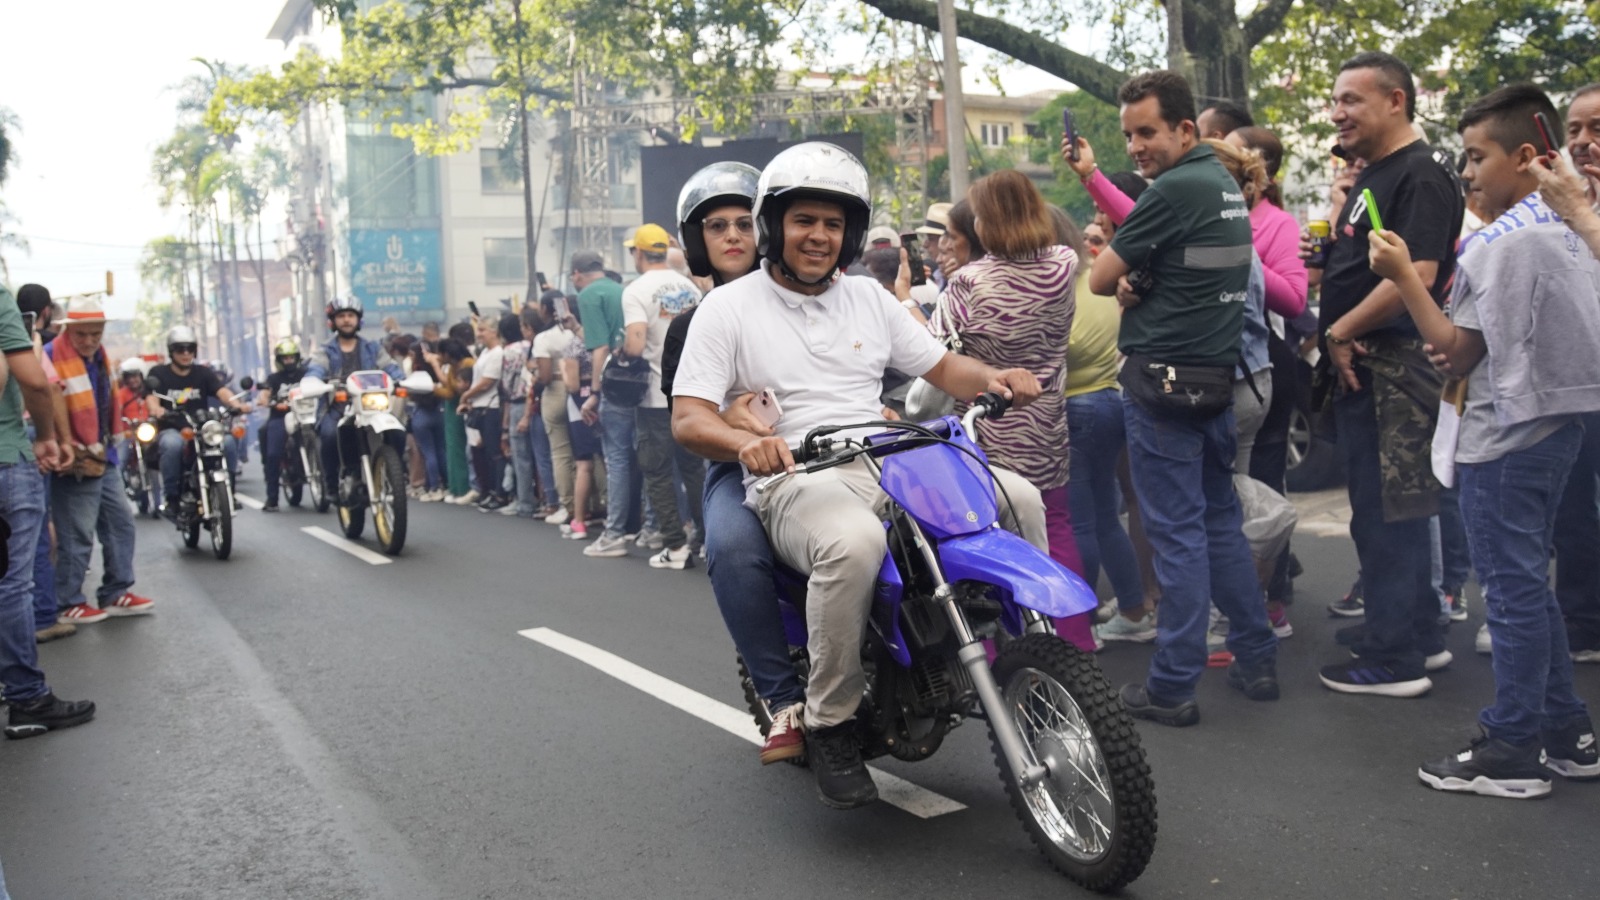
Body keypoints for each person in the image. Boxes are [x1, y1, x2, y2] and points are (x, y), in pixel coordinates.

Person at [672, 141, 1046, 809]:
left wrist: (996, 377)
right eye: (804, 220)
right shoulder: (726, 310)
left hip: (890, 453)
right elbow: (689, 417)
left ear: (849, 234)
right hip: (799, 471)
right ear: (774, 226)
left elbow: (943, 369)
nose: (819, 235)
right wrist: (744, 444)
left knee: (1019, 497)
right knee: (853, 542)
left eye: (833, 223)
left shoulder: (869, 298)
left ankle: (1037, 659)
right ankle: (830, 721)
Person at [1368, 83, 1600, 797]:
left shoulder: (1502, 244)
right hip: (1557, 427)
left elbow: (1455, 350)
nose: (1465, 173)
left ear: (1525, 156)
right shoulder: (1567, 227)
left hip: (1504, 435)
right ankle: (1566, 731)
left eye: (1476, 157)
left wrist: (1403, 275)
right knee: (1528, 584)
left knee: (1512, 591)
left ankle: (1512, 747)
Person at [1087, 70, 1279, 726]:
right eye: (1128, 136)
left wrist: (1129, 281)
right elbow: (1191, 274)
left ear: (1186, 129)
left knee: (1176, 537)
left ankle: (1171, 684)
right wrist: (1144, 280)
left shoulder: (1173, 190)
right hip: (1216, 382)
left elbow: (1099, 278)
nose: (1135, 147)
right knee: (1218, 523)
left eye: (1147, 132)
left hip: (1161, 388)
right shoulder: (1222, 186)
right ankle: (1257, 657)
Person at [1311, 52, 1463, 696]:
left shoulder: (1420, 172)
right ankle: (1417, 633)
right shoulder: (1375, 173)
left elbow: (1415, 277)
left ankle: (1393, 658)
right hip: (1367, 372)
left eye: (1351, 99)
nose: (1337, 113)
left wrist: (1341, 330)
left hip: (1391, 371)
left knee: (1388, 516)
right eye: (1335, 100)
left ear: (1396, 100)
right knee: (1382, 510)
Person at [939, 170, 1092, 650]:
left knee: (988, 537)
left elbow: (931, 349)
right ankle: (1074, 640)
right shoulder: (1065, 263)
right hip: (1046, 421)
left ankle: (993, 651)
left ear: (989, 221)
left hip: (990, 428)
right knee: (1056, 526)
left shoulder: (968, 282)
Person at [0, 282, 94, 739]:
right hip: (6, 457)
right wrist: (46, 437)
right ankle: (26, 698)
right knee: (12, 582)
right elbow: (34, 380)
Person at [43, 296, 152, 622]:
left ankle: (116, 591)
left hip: (104, 454)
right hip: (74, 458)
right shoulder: (49, 355)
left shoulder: (101, 357)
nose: (89, 340)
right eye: (82, 334)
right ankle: (67, 602)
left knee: (121, 523)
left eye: (96, 334)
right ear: (68, 330)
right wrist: (63, 443)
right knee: (76, 533)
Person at [620, 223, 704, 568]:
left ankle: (675, 545)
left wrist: (622, 353)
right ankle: (707, 540)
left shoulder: (636, 290)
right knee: (694, 469)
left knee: (657, 473)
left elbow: (635, 344)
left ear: (638, 253)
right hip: (693, 395)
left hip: (655, 397)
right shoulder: (689, 286)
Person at [304, 297, 404, 506]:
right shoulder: (325, 350)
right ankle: (332, 485)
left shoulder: (373, 347)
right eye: (341, 316)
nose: (347, 320)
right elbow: (316, 368)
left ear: (359, 320)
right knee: (330, 435)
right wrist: (312, 380)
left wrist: (402, 380)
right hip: (337, 406)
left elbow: (390, 367)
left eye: (351, 315)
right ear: (333, 321)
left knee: (397, 431)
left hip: (371, 405)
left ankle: (393, 473)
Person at [147, 326, 247, 519]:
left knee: (228, 442)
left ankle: (230, 492)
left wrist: (237, 404)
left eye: (190, 349)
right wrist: (156, 409)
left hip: (203, 429)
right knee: (172, 445)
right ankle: (172, 498)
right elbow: (151, 397)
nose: (185, 353)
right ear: (171, 351)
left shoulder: (203, 373)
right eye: (180, 349)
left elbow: (221, 391)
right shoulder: (159, 373)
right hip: (174, 428)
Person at [459, 314, 510, 512]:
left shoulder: (497, 353)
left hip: (491, 407)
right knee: (480, 453)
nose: (479, 334)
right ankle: (487, 490)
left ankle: (499, 492)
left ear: (494, 331)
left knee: (493, 453)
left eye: (482, 330)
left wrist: (466, 395)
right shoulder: (485, 353)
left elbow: (488, 381)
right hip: (479, 406)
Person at [257, 339, 307, 511]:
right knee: (273, 454)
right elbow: (264, 394)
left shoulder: (306, 375)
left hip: (305, 416)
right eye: (285, 358)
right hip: (280, 418)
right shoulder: (273, 378)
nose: (289, 361)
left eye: (292, 357)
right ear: (279, 360)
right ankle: (272, 498)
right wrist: (269, 402)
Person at [499, 310, 541, 517]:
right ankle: (545, 499)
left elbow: (507, 383)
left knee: (521, 457)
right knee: (540, 455)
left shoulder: (509, 351)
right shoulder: (531, 345)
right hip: (537, 400)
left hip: (518, 403)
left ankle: (525, 501)